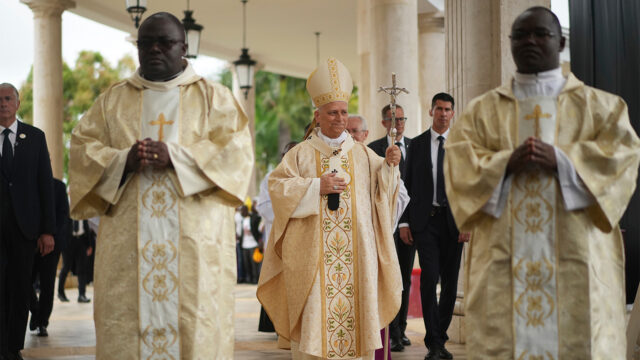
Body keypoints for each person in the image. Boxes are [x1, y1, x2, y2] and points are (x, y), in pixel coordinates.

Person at [445, 7, 640, 359]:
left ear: (561, 41)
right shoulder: (481, 111)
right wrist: (505, 164)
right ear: (509, 44)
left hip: (577, 264)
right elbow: (459, 165)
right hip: (503, 267)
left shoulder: (601, 107)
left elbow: (622, 158)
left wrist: (562, 162)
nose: (530, 41)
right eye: (520, 35)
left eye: (540, 33)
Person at [68, 12, 253, 359]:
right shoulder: (112, 101)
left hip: (195, 250)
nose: (155, 49)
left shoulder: (215, 97)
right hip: (128, 254)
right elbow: (82, 151)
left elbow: (236, 154)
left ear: (184, 47)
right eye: (146, 43)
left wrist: (177, 157)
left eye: (165, 42)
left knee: (196, 327)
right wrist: (125, 160)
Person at [257, 57, 403, 360]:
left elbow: (385, 194)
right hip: (315, 263)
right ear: (318, 115)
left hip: (358, 263)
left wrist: (390, 167)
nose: (339, 118)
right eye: (332, 112)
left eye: (343, 111)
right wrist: (314, 188)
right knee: (315, 329)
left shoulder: (364, 155)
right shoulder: (300, 155)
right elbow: (278, 188)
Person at [398, 93, 465, 360]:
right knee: (429, 279)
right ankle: (433, 342)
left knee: (450, 283)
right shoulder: (416, 144)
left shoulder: (462, 144)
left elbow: (468, 185)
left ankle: (440, 337)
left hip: (454, 222)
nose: (443, 113)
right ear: (431, 111)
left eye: (448, 109)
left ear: (452, 113)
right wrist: (404, 221)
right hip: (425, 223)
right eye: (439, 108)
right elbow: (407, 184)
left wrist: (468, 220)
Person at [0, 82, 55, 360]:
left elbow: (45, 185)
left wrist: (47, 231)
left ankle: (13, 348)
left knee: (21, 289)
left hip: (25, 229)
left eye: (8, 98)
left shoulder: (35, 137)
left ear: (17, 103)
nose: (3, 103)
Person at [368, 104, 413, 353]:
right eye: (392, 119)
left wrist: (407, 222)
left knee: (403, 277)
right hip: (380, 224)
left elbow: (414, 187)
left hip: (406, 227)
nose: (398, 123)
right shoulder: (373, 149)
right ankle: (391, 332)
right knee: (387, 277)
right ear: (384, 122)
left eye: (402, 118)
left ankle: (402, 329)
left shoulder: (415, 147)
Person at [255, 141, 298, 333]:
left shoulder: (307, 177)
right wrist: (289, 211)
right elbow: (263, 206)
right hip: (278, 236)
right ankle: (276, 324)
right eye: (286, 155)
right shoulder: (270, 177)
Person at [30, 177, 69, 337]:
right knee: (23, 281)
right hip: (30, 243)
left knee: (47, 284)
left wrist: (51, 237)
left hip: (52, 245)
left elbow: (63, 216)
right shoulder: (28, 184)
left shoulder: (59, 187)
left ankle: (42, 322)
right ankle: (36, 311)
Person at [57, 219, 94, 303]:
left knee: (82, 269)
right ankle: (60, 293)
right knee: (66, 267)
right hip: (68, 242)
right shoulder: (67, 208)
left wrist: (89, 244)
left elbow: (86, 226)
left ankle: (82, 295)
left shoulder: (82, 209)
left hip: (81, 241)